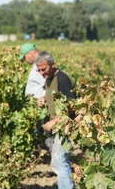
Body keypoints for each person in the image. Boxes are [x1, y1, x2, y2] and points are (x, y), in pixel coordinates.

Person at [36, 51, 75, 189]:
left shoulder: (62, 79)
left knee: (59, 163)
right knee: (59, 162)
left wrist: (53, 121)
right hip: (57, 127)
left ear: (52, 64)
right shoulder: (49, 78)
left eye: (44, 69)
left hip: (64, 126)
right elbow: (52, 95)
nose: (41, 73)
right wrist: (43, 100)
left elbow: (71, 106)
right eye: (39, 70)